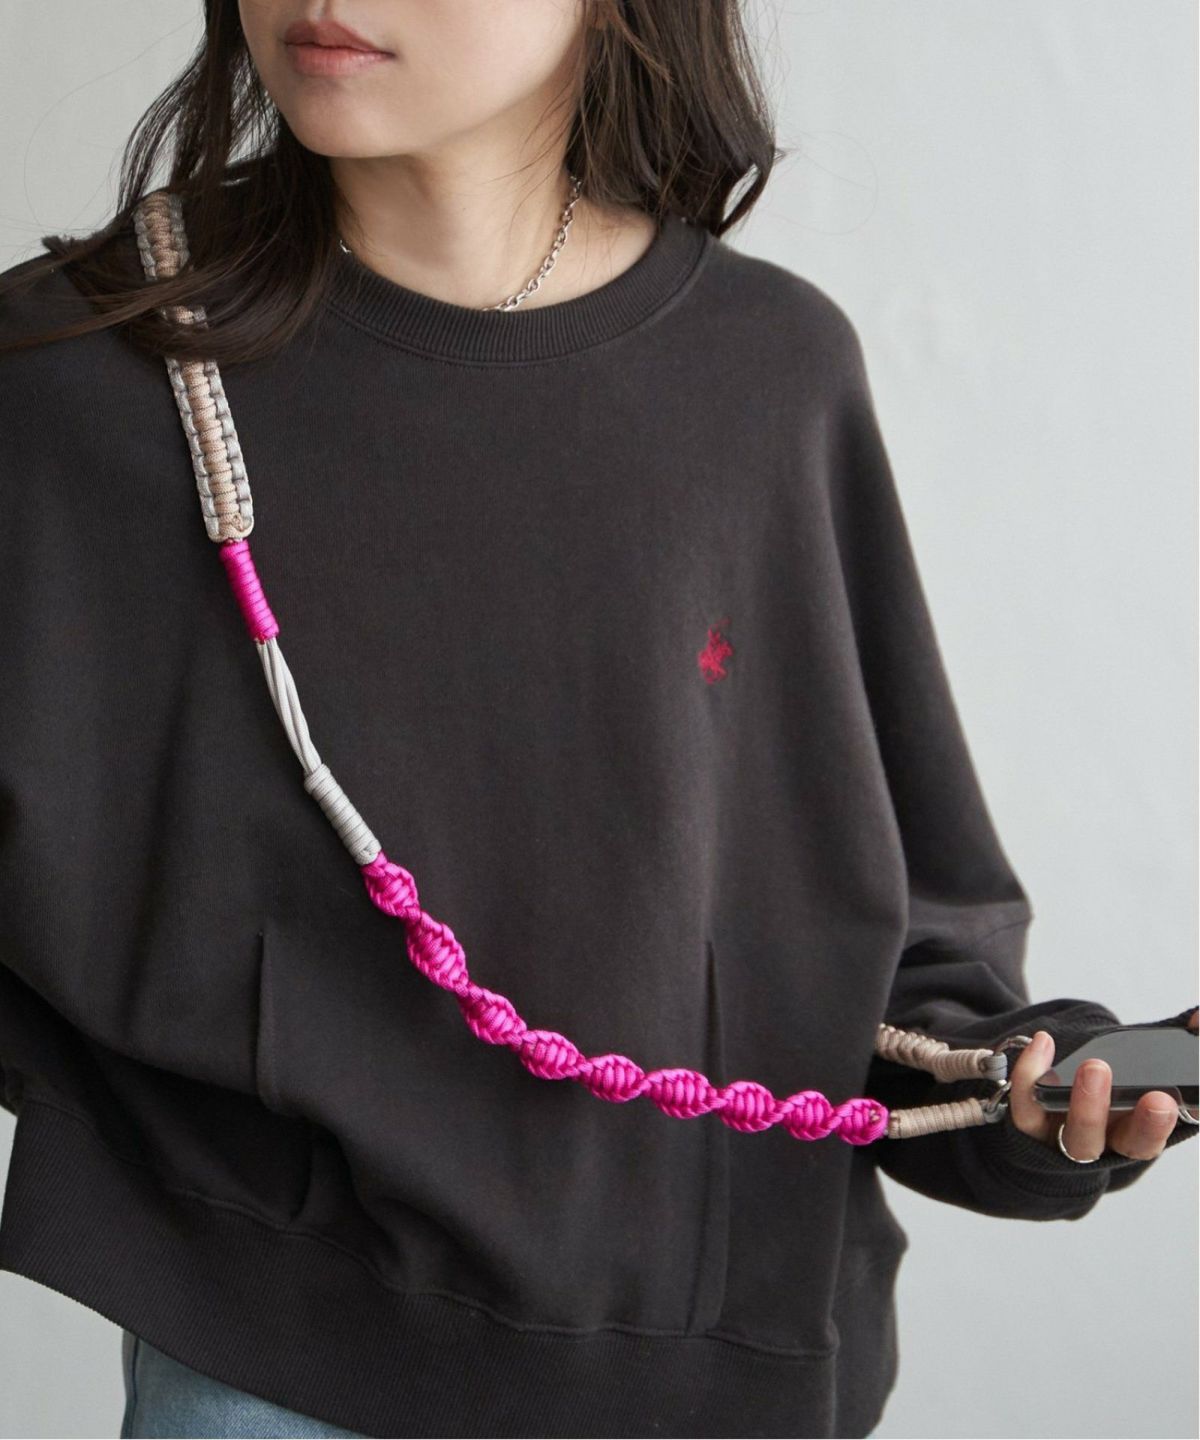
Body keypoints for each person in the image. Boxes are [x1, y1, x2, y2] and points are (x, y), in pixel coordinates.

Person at [0, 3, 1195, 1437]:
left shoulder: (765, 373)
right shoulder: (73, 372)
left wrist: (1027, 1097)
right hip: (269, 1366)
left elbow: (879, 947)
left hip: (718, 1370)